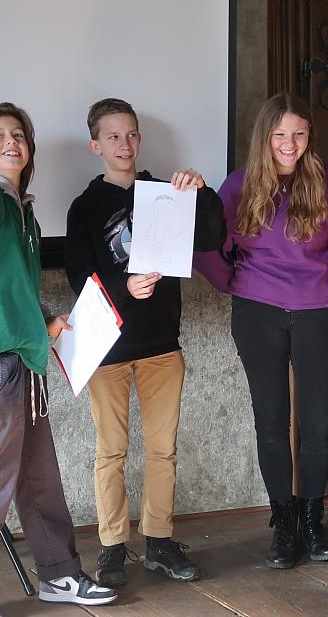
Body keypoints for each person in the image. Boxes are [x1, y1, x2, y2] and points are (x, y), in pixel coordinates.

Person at [0, 104, 117, 617]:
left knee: (39, 476)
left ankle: (59, 575)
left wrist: (44, 321)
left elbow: (11, 289)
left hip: (25, 359)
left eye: (18, 135)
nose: (11, 142)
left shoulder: (25, 213)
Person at [195, 92, 328, 569]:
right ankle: (283, 522)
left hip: (317, 310)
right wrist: (238, 284)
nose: (290, 143)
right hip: (258, 312)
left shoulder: (327, 181)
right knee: (271, 421)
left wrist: (313, 279)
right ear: (264, 138)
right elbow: (208, 248)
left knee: (319, 421)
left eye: (299, 134)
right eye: (280, 134)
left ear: (310, 136)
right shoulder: (239, 184)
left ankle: (312, 519)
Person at [64, 98, 225, 587]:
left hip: (161, 344)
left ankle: (159, 540)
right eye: (113, 136)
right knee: (111, 451)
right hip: (108, 348)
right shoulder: (85, 207)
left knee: (162, 450)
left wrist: (203, 194)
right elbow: (78, 277)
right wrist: (123, 288)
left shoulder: (165, 194)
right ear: (95, 145)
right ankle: (112, 546)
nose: (125, 144)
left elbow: (212, 238)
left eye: (131, 134)